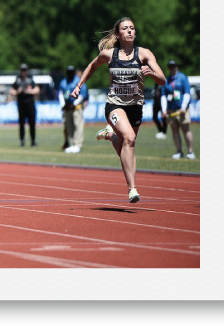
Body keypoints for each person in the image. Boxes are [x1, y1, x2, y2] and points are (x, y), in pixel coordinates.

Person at [70, 17, 165, 203]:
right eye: (125, 28)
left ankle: (111, 135)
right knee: (129, 138)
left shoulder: (144, 54)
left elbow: (162, 79)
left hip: (136, 107)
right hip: (115, 105)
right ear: (118, 34)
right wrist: (79, 86)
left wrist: (152, 73)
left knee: (126, 146)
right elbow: (92, 66)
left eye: (132, 28)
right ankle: (132, 189)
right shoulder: (109, 55)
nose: (130, 31)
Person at [161, 60, 195, 159]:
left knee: (186, 130)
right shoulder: (166, 80)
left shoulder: (183, 78)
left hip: (182, 110)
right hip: (171, 110)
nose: (172, 68)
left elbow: (187, 93)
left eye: (173, 66)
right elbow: (163, 96)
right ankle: (179, 151)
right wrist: (164, 110)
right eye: (170, 67)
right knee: (174, 131)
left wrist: (183, 107)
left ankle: (190, 151)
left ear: (177, 67)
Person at [10, 63, 39, 147]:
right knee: (21, 123)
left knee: (32, 123)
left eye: (25, 70)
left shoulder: (30, 79)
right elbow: (12, 90)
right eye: (22, 70)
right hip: (21, 104)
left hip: (30, 103)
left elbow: (37, 89)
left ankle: (33, 140)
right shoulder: (17, 79)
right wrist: (17, 92)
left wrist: (28, 91)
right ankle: (22, 141)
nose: (23, 72)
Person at [59, 66, 87, 153]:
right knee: (69, 126)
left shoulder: (78, 81)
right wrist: (63, 104)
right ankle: (72, 144)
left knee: (77, 126)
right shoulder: (63, 82)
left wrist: (74, 104)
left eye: (71, 72)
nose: (70, 73)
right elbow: (60, 93)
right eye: (68, 72)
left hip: (76, 108)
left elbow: (82, 95)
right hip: (67, 108)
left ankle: (78, 144)